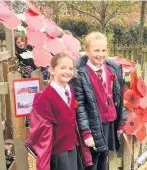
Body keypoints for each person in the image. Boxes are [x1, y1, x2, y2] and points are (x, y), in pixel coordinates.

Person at [25, 53, 92, 170]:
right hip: (59, 151)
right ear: (52, 70)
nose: (67, 71)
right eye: (63, 68)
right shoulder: (44, 98)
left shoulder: (70, 89)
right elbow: (43, 131)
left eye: (71, 68)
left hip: (73, 146)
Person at [70, 32, 127, 170]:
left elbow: (119, 97)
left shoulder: (112, 69)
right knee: (91, 161)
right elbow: (80, 106)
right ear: (87, 50)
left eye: (103, 50)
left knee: (104, 157)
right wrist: (86, 133)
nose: (100, 54)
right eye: (96, 50)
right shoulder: (80, 73)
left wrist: (121, 120)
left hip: (109, 122)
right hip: (93, 123)